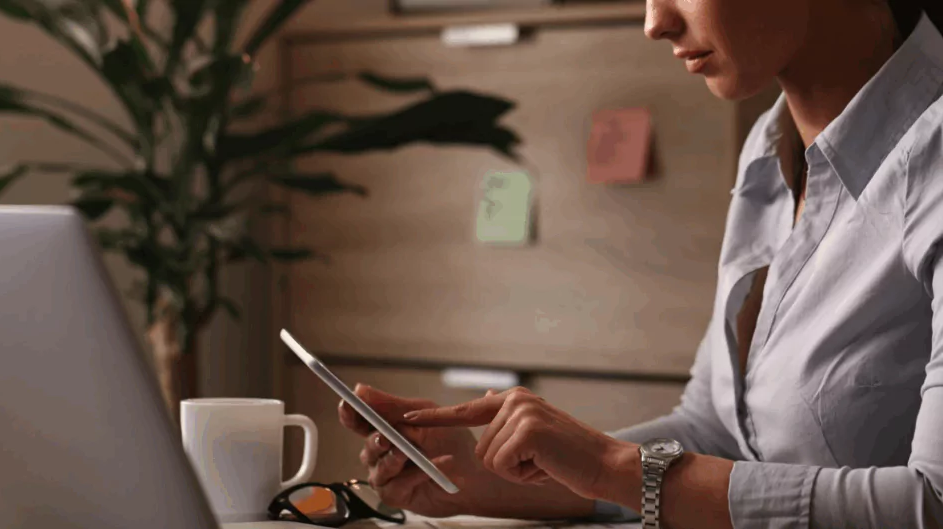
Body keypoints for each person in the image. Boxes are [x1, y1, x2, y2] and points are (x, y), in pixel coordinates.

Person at [338, 0, 943, 527]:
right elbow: (717, 433)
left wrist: (610, 465)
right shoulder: (770, 145)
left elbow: (933, 504)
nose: (655, 22)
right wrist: (485, 480)